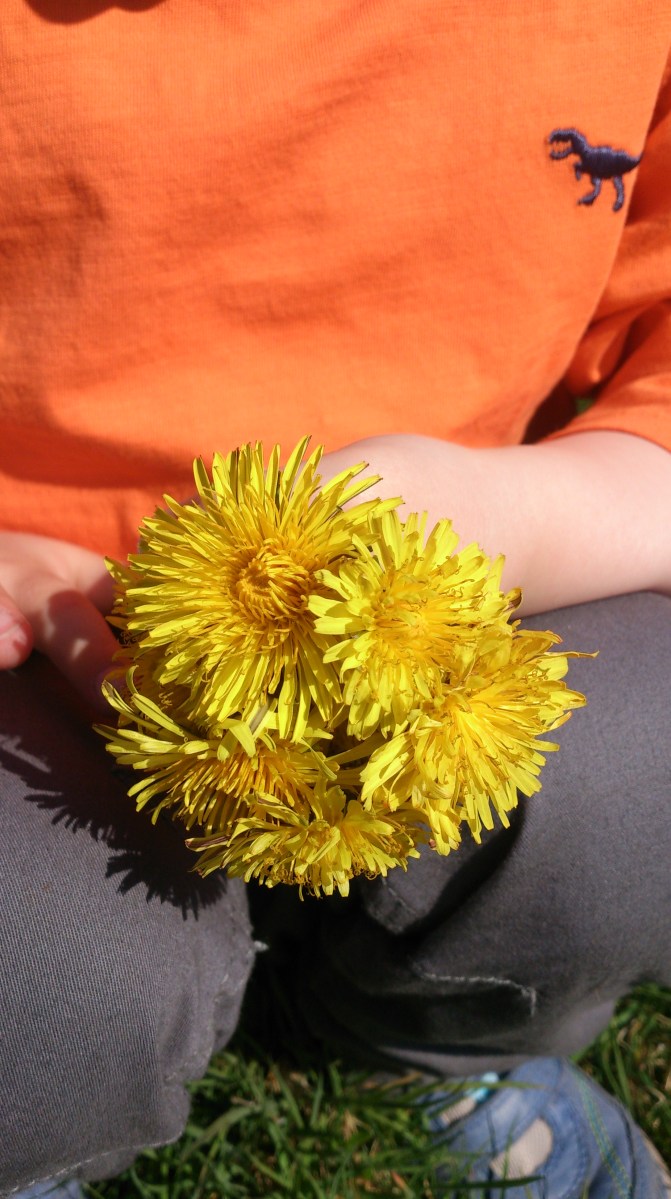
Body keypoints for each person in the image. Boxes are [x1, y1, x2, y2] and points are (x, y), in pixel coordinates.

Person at [1, 1, 670, 1195]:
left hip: (481, 544)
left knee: (639, 770)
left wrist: (511, 517)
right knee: (44, 984)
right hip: (33, 610)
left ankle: (430, 1043)